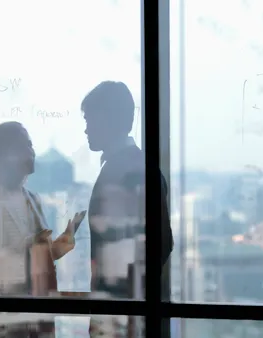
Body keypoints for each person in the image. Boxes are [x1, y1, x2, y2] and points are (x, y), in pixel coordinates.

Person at [0, 121, 77, 337]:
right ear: (0, 157)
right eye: (22, 146)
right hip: (2, 319)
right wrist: (24, 250)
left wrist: (60, 246)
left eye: (30, 145)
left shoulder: (34, 200)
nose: (30, 152)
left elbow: (37, 259)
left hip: (40, 315)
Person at [81, 81, 173, 335]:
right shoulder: (136, 166)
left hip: (123, 317)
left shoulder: (126, 171)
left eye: (90, 119)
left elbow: (157, 244)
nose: (86, 129)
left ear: (108, 120)